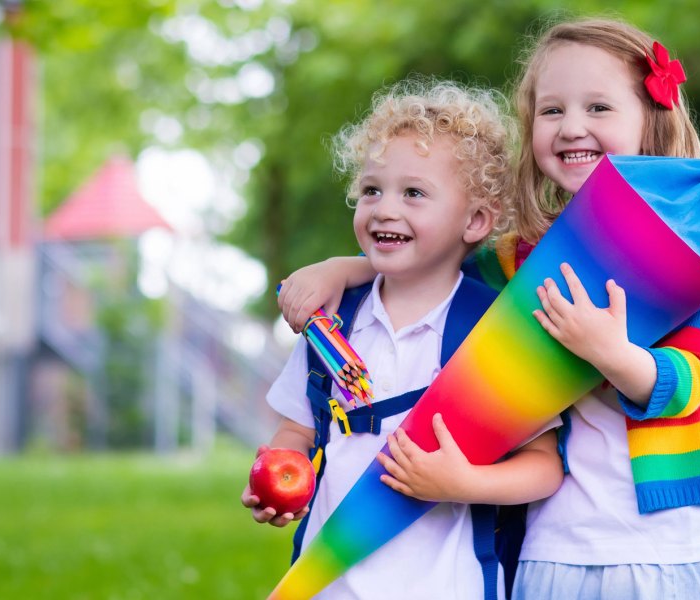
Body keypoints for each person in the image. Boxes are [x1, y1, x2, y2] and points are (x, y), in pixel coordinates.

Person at [277, 17, 700, 600]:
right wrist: (341, 269)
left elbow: (690, 383)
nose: (572, 126)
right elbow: (432, 254)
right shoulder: (518, 258)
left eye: (598, 107)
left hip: (668, 542)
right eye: (552, 111)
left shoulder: (698, 252)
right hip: (552, 540)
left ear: (653, 116)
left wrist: (611, 353)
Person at [242, 77, 564, 600]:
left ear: (476, 221)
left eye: (414, 193)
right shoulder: (333, 321)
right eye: (371, 190)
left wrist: (463, 486)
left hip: (447, 585)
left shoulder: (494, 332)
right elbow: (295, 430)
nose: (385, 208)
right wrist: (283, 476)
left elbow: (545, 466)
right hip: (329, 582)